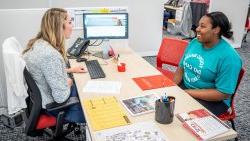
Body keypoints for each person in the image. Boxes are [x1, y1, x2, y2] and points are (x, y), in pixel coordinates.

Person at [23, 8, 86, 123]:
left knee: (82, 84)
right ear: (59, 27)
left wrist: (70, 70)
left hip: (42, 98)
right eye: (70, 22)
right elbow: (60, 97)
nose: (72, 27)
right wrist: (69, 82)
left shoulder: (39, 43)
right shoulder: (50, 55)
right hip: (57, 106)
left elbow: (46, 71)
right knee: (90, 97)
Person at [174, 11, 242, 116]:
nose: (197, 29)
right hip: (187, 88)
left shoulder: (229, 58)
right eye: (198, 25)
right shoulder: (195, 42)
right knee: (163, 104)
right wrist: (172, 87)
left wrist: (188, 93)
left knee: (180, 117)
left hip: (213, 101)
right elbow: (181, 67)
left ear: (216, 30)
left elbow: (223, 93)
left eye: (203, 26)